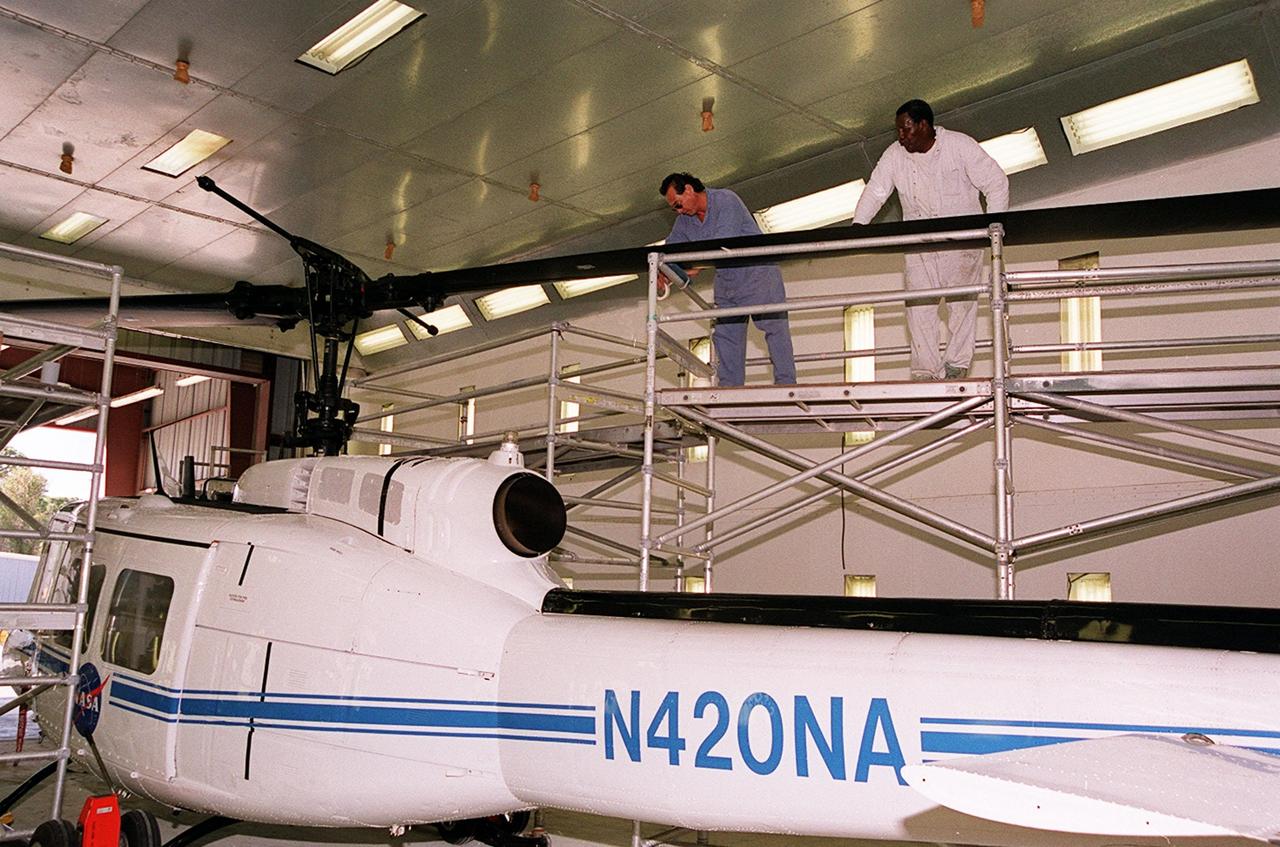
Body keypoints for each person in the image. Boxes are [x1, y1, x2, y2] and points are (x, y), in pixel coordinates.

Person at [851, 99, 1009, 380]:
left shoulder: (959, 147)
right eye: (898, 131)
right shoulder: (894, 155)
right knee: (918, 307)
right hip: (919, 246)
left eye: (906, 129)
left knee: (961, 307)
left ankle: (956, 367)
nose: (901, 136)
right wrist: (858, 226)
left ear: (924, 125)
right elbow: (876, 191)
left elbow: (996, 182)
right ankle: (926, 370)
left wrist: (993, 229)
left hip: (961, 245)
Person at [659, 172, 796, 386]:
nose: (679, 210)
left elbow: (722, 246)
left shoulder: (725, 200)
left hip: (757, 273)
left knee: (774, 329)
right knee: (725, 336)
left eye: (678, 204)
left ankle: (787, 385)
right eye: (674, 208)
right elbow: (669, 254)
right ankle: (730, 389)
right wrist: (663, 274)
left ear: (688, 189)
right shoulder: (684, 222)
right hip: (727, 281)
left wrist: (691, 265)